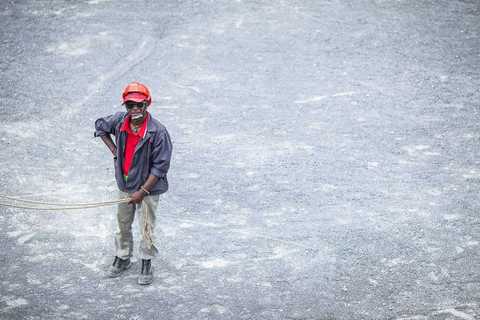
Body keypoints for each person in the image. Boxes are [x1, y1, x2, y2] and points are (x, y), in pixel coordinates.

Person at [94, 82, 172, 285]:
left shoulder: (158, 132)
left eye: (139, 105)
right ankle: (122, 257)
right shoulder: (120, 121)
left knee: (146, 226)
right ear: (125, 106)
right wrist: (114, 151)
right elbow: (100, 126)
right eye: (130, 105)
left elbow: (160, 167)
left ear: (147, 104)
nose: (135, 109)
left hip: (148, 188)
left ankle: (146, 261)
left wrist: (143, 191)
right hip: (125, 184)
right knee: (122, 223)